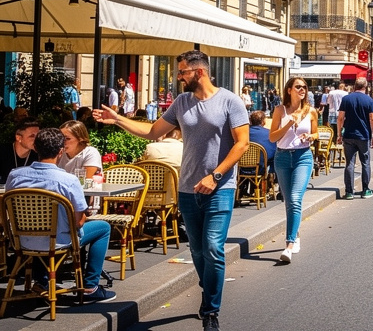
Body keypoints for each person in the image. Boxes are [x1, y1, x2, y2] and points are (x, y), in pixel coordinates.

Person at [93, 50, 249, 331]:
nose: (179, 77)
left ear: (199, 72)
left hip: (220, 187)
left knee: (213, 248)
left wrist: (215, 176)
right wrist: (117, 119)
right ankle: (208, 287)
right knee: (198, 251)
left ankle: (211, 311)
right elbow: (152, 131)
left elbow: (242, 144)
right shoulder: (181, 102)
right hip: (187, 188)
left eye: (182, 72)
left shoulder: (230, 101)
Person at [6, 128, 117, 302]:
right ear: (60, 151)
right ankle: (90, 286)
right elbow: (79, 222)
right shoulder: (69, 180)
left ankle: (43, 281)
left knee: (49, 230)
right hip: (57, 241)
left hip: (23, 240)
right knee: (103, 228)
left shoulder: (15, 175)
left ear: (36, 148)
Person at [269, 77, 315, 264]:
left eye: (304, 87)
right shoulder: (280, 110)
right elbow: (272, 137)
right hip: (282, 157)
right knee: (289, 201)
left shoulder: (311, 111)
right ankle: (295, 235)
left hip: (303, 157)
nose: (302, 89)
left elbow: (316, 133)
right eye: (298, 87)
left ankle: (289, 245)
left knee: (295, 199)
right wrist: (289, 124)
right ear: (289, 90)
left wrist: (310, 136)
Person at [337, 77, 373, 200]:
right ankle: (365, 189)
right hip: (363, 135)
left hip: (349, 134)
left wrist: (339, 134)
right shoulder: (369, 100)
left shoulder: (346, 99)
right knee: (365, 163)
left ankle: (349, 192)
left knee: (350, 163)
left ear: (355, 86)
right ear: (366, 87)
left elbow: (340, 118)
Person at [246, 110, 276, 175]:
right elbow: (273, 151)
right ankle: (273, 177)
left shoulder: (243, 133)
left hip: (242, 168)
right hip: (260, 168)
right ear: (263, 122)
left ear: (250, 121)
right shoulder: (269, 134)